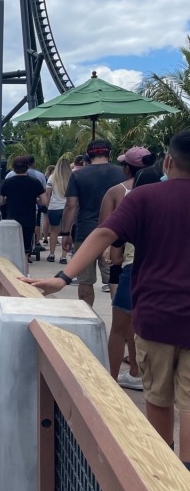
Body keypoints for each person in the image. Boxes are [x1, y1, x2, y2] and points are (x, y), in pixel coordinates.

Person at [24, 129, 190, 471]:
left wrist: (62, 278)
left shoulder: (145, 198)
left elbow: (103, 233)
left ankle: (164, 471)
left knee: (158, 398)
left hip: (155, 316)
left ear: (168, 162)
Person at [98, 147, 155, 389]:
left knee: (120, 328)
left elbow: (108, 232)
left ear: (127, 168)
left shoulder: (121, 194)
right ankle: (136, 372)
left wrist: (112, 253)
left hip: (131, 268)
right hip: (159, 271)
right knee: (140, 326)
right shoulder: (169, 195)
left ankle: (109, 382)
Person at [60, 140, 126, 305]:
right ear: (110, 153)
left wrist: (66, 232)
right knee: (114, 278)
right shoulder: (122, 173)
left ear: (88, 155)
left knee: (85, 280)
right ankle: (119, 315)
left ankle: (88, 314)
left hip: (85, 231)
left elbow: (70, 205)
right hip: (114, 233)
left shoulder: (78, 175)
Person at [0, 157, 48, 264]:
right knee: (25, 253)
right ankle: (25, 271)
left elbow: (0, 201)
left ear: (13, 168)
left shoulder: (6, 182)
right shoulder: (35, 182)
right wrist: (34, 200)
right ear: (28, 167)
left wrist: (9, 199)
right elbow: (44, 201)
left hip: (12, 219)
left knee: (12, 251)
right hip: (29, 220)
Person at [44, 158, 71, 263]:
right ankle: (63, 257)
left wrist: (47, 204)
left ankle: (51, 254)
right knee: (67, 232)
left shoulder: (52, 177)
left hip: (54, 207)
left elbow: (48, 194)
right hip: (68, 207)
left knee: (54, 231)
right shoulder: (72, 177)